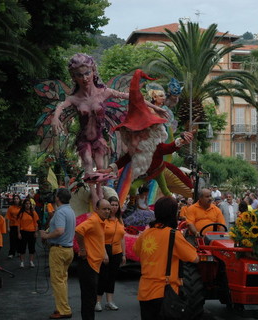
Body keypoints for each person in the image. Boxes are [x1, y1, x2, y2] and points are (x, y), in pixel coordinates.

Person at [51, 54, 167, 203]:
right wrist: (55, 118)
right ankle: (94, 197)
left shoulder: (104, 92)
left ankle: (100, 196)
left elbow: (133, 97)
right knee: (87, 160)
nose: (85, 78)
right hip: (84, 138)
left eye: (87, 73)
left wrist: (154, 108)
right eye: (79, 75)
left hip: (99, 138)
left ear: (93, 71)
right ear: (73, 77)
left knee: (100, 166)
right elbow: (60, 106)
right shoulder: (74, 98)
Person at [100, 69, 194, 204]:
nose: (137, 134)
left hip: (158, 170)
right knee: (138, 189)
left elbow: (168, 148)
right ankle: (135, 206)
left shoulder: (154, 143)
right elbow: (125, 159)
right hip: (145, 172)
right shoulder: (137, 147)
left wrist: (182, 139)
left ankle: (168, 208)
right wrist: (109, 169)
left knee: (164, 191)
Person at [133, 197, 199, 320]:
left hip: (145, 291)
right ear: (172, 214)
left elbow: (137, 251)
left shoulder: (146, 233)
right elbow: (194, 258)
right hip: (165, 292)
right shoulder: (173, 234)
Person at [40, 188, 75, 320]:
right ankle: (62, 306)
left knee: (58, 281)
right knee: (62, 281)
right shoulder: (70, 210)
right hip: (67, 249)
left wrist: (47, 235)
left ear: (58, 198)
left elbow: (60, 230)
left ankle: (64, 310)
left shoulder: (60, 212)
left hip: (59, 250)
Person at [75, 199, 110, 320]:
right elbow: (79, 230)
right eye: (104, 209)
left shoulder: (100, 221)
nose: (107, 211)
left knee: (90, 298)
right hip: (88, 264)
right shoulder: (94, 220)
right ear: (97, 209)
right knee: (89, 299)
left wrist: (104, 253)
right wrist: (83, 249)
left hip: (94, 264)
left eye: (108, 209)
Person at [95, 196, 126, 312]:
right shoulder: (103, 220)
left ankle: (110, 301)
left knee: (112, 277)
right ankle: (97, 301)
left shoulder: (120, 220)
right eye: (112, 205)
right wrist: (104, 253)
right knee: (103, 276)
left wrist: (124, 254)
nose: (114, 207)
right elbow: (100, 237)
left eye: (116, 205)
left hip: (117, 251)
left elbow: (122, 238)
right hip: (105, 250)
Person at [17, 198, 39, 268]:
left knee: (31, 248)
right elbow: (18, 224)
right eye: (26, 204)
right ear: (24, 205)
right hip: (23, 232)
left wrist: (36, 232)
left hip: (32, 232)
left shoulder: (33, 213)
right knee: (22, 248)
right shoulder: (21, 213)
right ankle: (22, 262)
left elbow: (36, 223)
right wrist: (19, 233)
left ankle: (31, 261)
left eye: (29, 204)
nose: (27, 205)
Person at [5, 194, 22, 258]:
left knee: (19, 239)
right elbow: (8, 217)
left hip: (20, 226)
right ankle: (11, 253)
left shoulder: (21, 207)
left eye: (17, 199)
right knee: (12, 240)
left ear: (19, 200)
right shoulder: (10, 208)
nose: (16, 200)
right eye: (15, 199)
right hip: (12, 225)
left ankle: (19, 252)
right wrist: (8, 227)